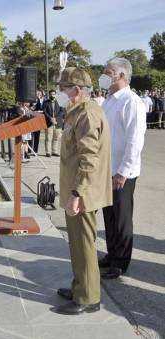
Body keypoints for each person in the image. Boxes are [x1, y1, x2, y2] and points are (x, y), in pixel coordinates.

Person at [54, 67, 112, 315]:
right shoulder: (76, 112)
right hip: (77, 190)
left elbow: (89, 159)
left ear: (76, 90)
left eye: (63, 88)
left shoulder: (87, 114)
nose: (59, 92)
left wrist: (77, 194)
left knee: (85, 244)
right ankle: (80, 287)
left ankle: (88, 297)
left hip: (83, 192)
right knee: (77, 244)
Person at [98, 57, 147, 279]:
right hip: (106, 169)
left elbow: (135, 141)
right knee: (109, 215)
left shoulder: (132, 101)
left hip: (122, 173)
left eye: (108, 72)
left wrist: (123, 172)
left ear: (121, 76)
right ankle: (111, 253)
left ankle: (121, 262)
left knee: (122, 217)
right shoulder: (108, 101)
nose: (104, 75)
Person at [43, 89, 65, 157]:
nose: (52, 95)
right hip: (49, 123)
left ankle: (54, 151)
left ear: (55, 94)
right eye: (51, 94)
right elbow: (44, 112)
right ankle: (48, 152)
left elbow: (62, 112)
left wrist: (55, 118)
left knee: (56, 138)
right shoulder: (45, 102)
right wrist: (50, 118)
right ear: (49, 95)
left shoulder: (60, 102)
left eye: (53, 94)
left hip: (57, 123)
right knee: (48, 138)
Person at [29, 90, 44, 155]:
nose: (38, 95)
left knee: (37, 136)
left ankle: (35, 150)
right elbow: (28, 108)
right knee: (30, 136)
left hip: (38, 121)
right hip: (31, 120)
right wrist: (31, 107)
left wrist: (40, 102)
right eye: (37, 94)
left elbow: (42, 109)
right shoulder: (30, 100)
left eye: (39, 94)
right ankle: (29, 150)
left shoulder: (41, 101)